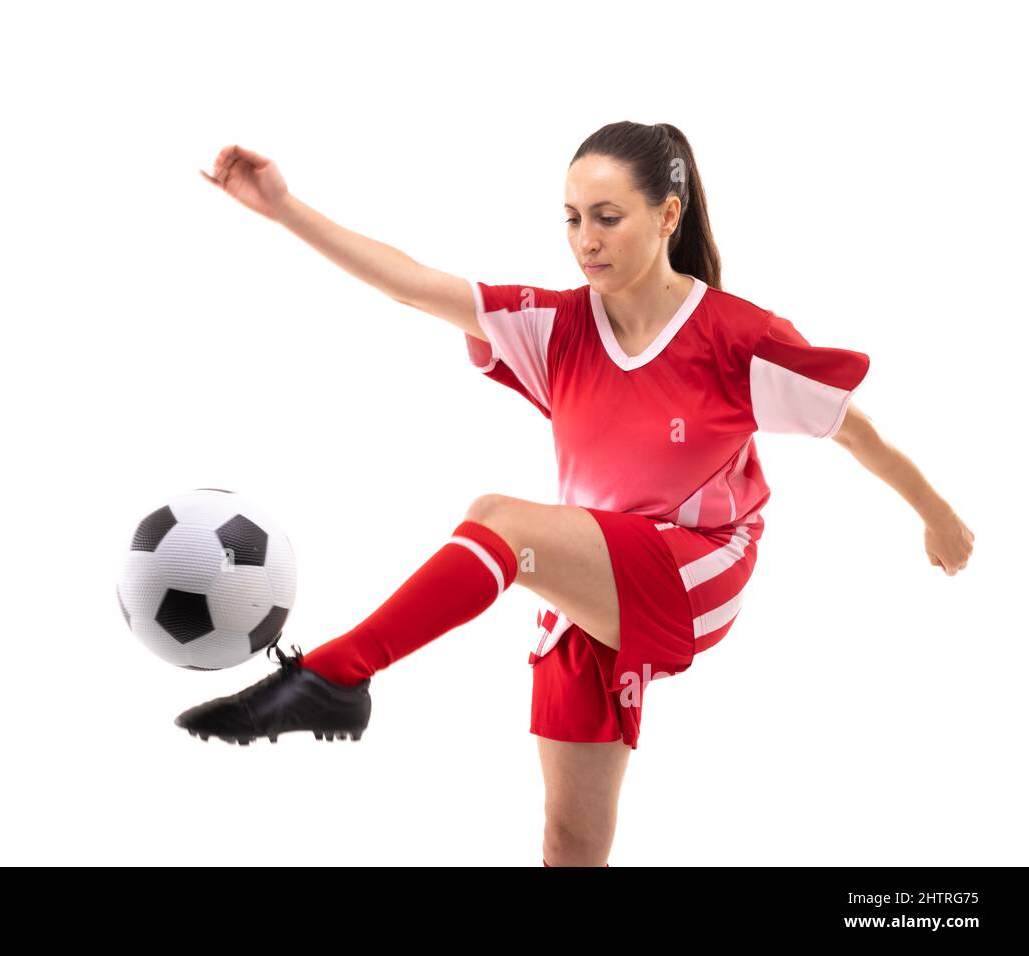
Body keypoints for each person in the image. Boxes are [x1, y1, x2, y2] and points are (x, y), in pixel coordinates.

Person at [174, 122, 976, 867]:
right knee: (569, 841)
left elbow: (856, 431)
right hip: (587, 587)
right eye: (570, 219)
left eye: (606, 217)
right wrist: (282, 208)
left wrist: (938, 517)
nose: (585, 241)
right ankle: (339, 684)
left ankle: (335, 677)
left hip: (697, 573)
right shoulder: (555, 326)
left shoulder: (738, 339)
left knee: (499, 521)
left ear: (667, 216)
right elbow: (413, 286)